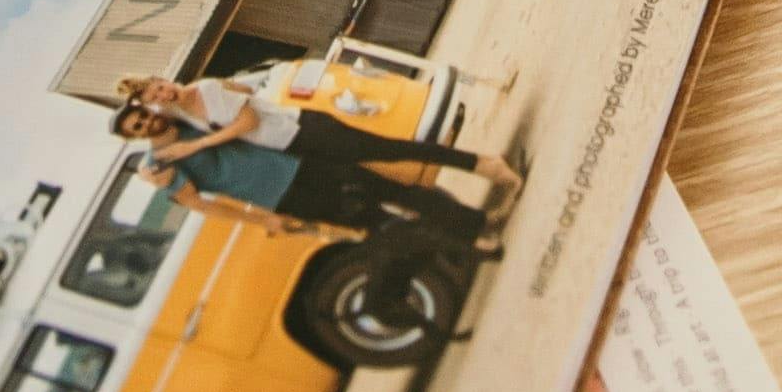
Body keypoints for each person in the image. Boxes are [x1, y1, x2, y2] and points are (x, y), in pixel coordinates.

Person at [114, 63, 519, 245]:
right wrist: (150, 174)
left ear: (164, 79)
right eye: (153, 98)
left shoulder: (205, 90)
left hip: (302, 132)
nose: (162, 95)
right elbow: (161, 163)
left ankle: (484, 165)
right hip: (292, 156)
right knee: (386, 188)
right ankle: (470, 227)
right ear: (151, 105)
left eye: (160, 86)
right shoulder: (179, 118)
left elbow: (249, 123)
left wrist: (197, 145)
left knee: (391, 151)